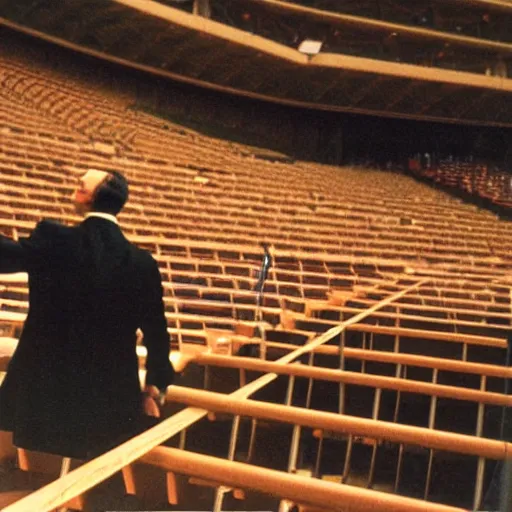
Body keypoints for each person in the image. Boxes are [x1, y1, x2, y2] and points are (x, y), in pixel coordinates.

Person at [0, 169, 175, 459]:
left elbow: (8, 256)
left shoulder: (54, 239)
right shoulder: (143, 263)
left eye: (80, 185)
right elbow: (157, 332)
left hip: (46, 395)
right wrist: (154, 385)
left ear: (87, 197)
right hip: (109, 400)